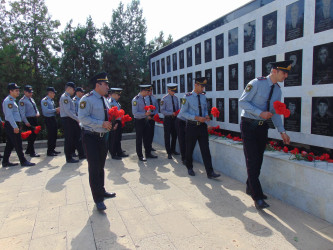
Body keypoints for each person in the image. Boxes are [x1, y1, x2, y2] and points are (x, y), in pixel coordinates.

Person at [239, 60, 292, 210]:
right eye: (284, 72)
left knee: (259, 160)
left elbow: (275, 113)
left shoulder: (277, 90)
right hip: (249, 124)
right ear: (274, 71)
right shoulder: (256, 83)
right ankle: (257, 196)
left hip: (262, 128)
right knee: (252, 160)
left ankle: (251, 186)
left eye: (287, 73)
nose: (286, 75)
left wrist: (282, 131)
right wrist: (260, 113)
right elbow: (242, 102)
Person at [79, 72, 117, 211]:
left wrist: (112, 123)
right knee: (94, 168)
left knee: (101, 166)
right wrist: (101, 123)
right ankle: (98, 199)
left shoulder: (105, 99)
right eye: (105, 84)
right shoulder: (86, 99)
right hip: (91, 137)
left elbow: (107, 116)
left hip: (103, 137)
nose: (108, 86)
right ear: (98, 85)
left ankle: (101, 190)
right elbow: (83, 118)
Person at [179, 77, 221, 179]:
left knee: (205, 150)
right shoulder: (187, 97)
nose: (203, 89)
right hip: (191, 126)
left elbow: (205, 109)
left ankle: (210, 172)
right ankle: (189, 167)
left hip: (202, 127)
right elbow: (183, 113)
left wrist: (206, 116)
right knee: (189, 149)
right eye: (201, 86)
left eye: (204, 86)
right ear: (196, 85)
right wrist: (196, 117)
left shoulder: (203, 96)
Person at [2, 83, 35, 167]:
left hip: (13, 124)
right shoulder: (8, 101)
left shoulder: (12, 100)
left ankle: (5, 161)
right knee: (18, 143)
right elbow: (9, 116)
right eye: (16, 90)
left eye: (18, 90)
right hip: (12, 125)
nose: (18, 92)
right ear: (11, 91)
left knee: (10, 144)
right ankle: (23, 161)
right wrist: (15, 126)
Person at [60, 82, 85, 163]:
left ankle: (81, 154)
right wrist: (77, 119)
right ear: (68, 88)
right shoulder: (65, 97)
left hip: (71, 119)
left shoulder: (68, 97)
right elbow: (68, 111)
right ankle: (69, 157)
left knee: (76, 137)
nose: (74, 91)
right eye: (73, 89)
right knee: (69, 139)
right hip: (68, 120)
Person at [132, 85, 158, 161]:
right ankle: (140, 155)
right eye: (147, 91)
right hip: (139, 121)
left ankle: (148, 153)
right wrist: (145, 114)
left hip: (145, 120)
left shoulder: (144, 99)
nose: (149, 93)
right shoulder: (135, 99)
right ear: (143, 91)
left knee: (148, 136)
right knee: (139, 139)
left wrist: (147, 112)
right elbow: (135, 113)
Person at [18, 85, 40, 157]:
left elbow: (35, 108)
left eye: (31, 92)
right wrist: (26, 122)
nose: (30, 94)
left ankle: (28, 150)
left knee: (34, 135)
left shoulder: (31, 99)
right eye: (29, 92)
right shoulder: (22, 101)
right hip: (29, 119)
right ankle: (32, 152)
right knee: (31, 136)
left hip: (34, 118)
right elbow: (22, 113)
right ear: (25, 92)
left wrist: (37, 113)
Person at [160, 83, 180, 159]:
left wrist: (177, 113)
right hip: (168, 119)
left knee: (175, 135)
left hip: (175, 119)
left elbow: (178, 108)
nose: (173, 92)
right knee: (167, 136)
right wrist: (171, 113)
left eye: (174, 91)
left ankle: (173, 149)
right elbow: (162, 110)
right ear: (168, 90)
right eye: (172, 91)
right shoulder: (164, 99)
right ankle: (168, 152)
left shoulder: (176, 98)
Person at [108, 88, 128, 160]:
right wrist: (114, 123)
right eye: (118, 94)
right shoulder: (111, 102)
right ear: (113, 94)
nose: (119, 96)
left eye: (119, 94)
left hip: (118, 122)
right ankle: (113, 154)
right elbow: (111, 115)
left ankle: (119, 151)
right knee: (113, 139)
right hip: (114, 122)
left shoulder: (115, 102)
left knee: (118, 138)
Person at [41, 87, 60, 156]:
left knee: (54, 134)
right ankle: (49, 151)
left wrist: (56, 111)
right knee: (51, 135)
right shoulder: (45, 100)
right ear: (49, 93)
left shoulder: (51, 100)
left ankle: (53, 149)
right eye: (53, 93)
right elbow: (45, 111)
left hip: (53, 118)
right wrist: (55, 110)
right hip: (48, 119)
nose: (54, 94)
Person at [72, 87, 86, 157]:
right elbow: (75, 112)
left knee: (80, 136)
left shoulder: (81, 100)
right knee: (78, 137)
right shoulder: (74, 101)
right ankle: (80, 153)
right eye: (81, 92)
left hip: (81, 120)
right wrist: (78, 120)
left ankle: (81, 152)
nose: (83, 93)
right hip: (77, 121)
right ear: (77, 92)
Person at [145, 85, 158, 152]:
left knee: (152, 133)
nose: (150, 92)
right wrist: (147, 116)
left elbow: (156, 108)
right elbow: (143, 109)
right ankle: (147, 147)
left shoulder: (154, 98)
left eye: (151, 90)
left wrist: (155, 116)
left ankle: (150, 145)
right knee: (147, 133)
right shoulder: (144, 98)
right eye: (149, 90)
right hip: (146, 118)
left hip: (153, 117)